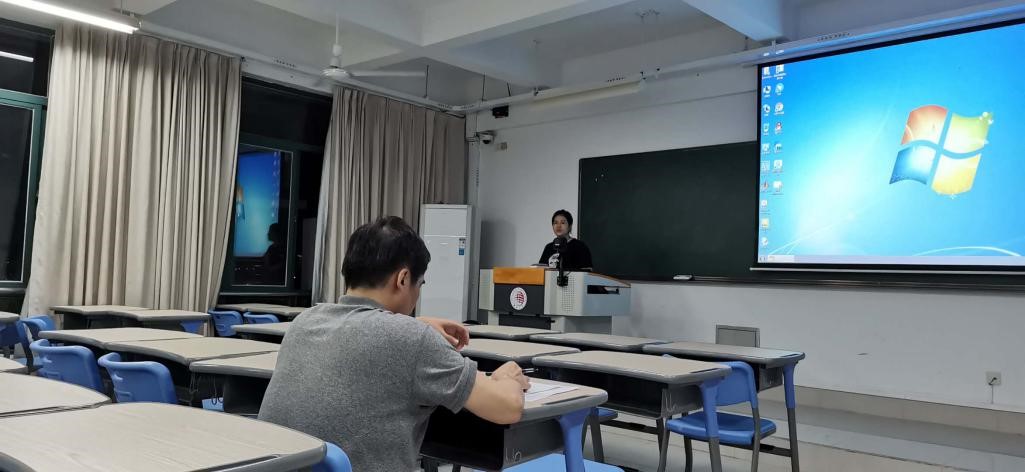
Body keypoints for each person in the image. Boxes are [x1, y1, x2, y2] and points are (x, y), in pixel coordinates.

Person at [259, 216, 529, 471]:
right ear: (403, 279)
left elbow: (365, 331)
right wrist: (508, 379)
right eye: (419, 284)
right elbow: (507, 407)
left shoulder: (304, 322)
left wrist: (417, 324)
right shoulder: (413, 339)